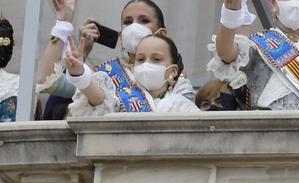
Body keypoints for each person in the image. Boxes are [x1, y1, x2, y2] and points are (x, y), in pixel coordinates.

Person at [57, 27, 199, 116]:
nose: (146, 64)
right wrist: (80, 74)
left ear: (173, 71)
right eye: (141, 59)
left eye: (156, 59)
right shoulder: (120, 93)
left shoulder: (182, 105)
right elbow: (98, 98)